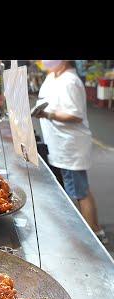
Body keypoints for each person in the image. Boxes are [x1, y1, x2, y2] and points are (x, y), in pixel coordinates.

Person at [33, 60, 107, 244]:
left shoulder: (71, 81)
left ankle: (94, 236)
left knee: (80, 191)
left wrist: (48, 114)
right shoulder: (53, 76)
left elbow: (75, 115)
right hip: (58, 144)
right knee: (74, 189)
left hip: (70, 146)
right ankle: (90, 230)